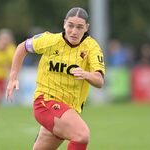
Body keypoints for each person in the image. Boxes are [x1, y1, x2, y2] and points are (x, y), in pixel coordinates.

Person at [6, 7, 105, 150]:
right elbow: (23, 47)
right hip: (45, 101)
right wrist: (13, 77)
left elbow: (99, 80)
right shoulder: (50, 40)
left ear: (86, 28)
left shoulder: (91, 47)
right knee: (82, 135)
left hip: (69, 110)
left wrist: (86, 74)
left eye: (79, 27)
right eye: (70, 25)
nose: (74, 31)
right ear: (64, 24)